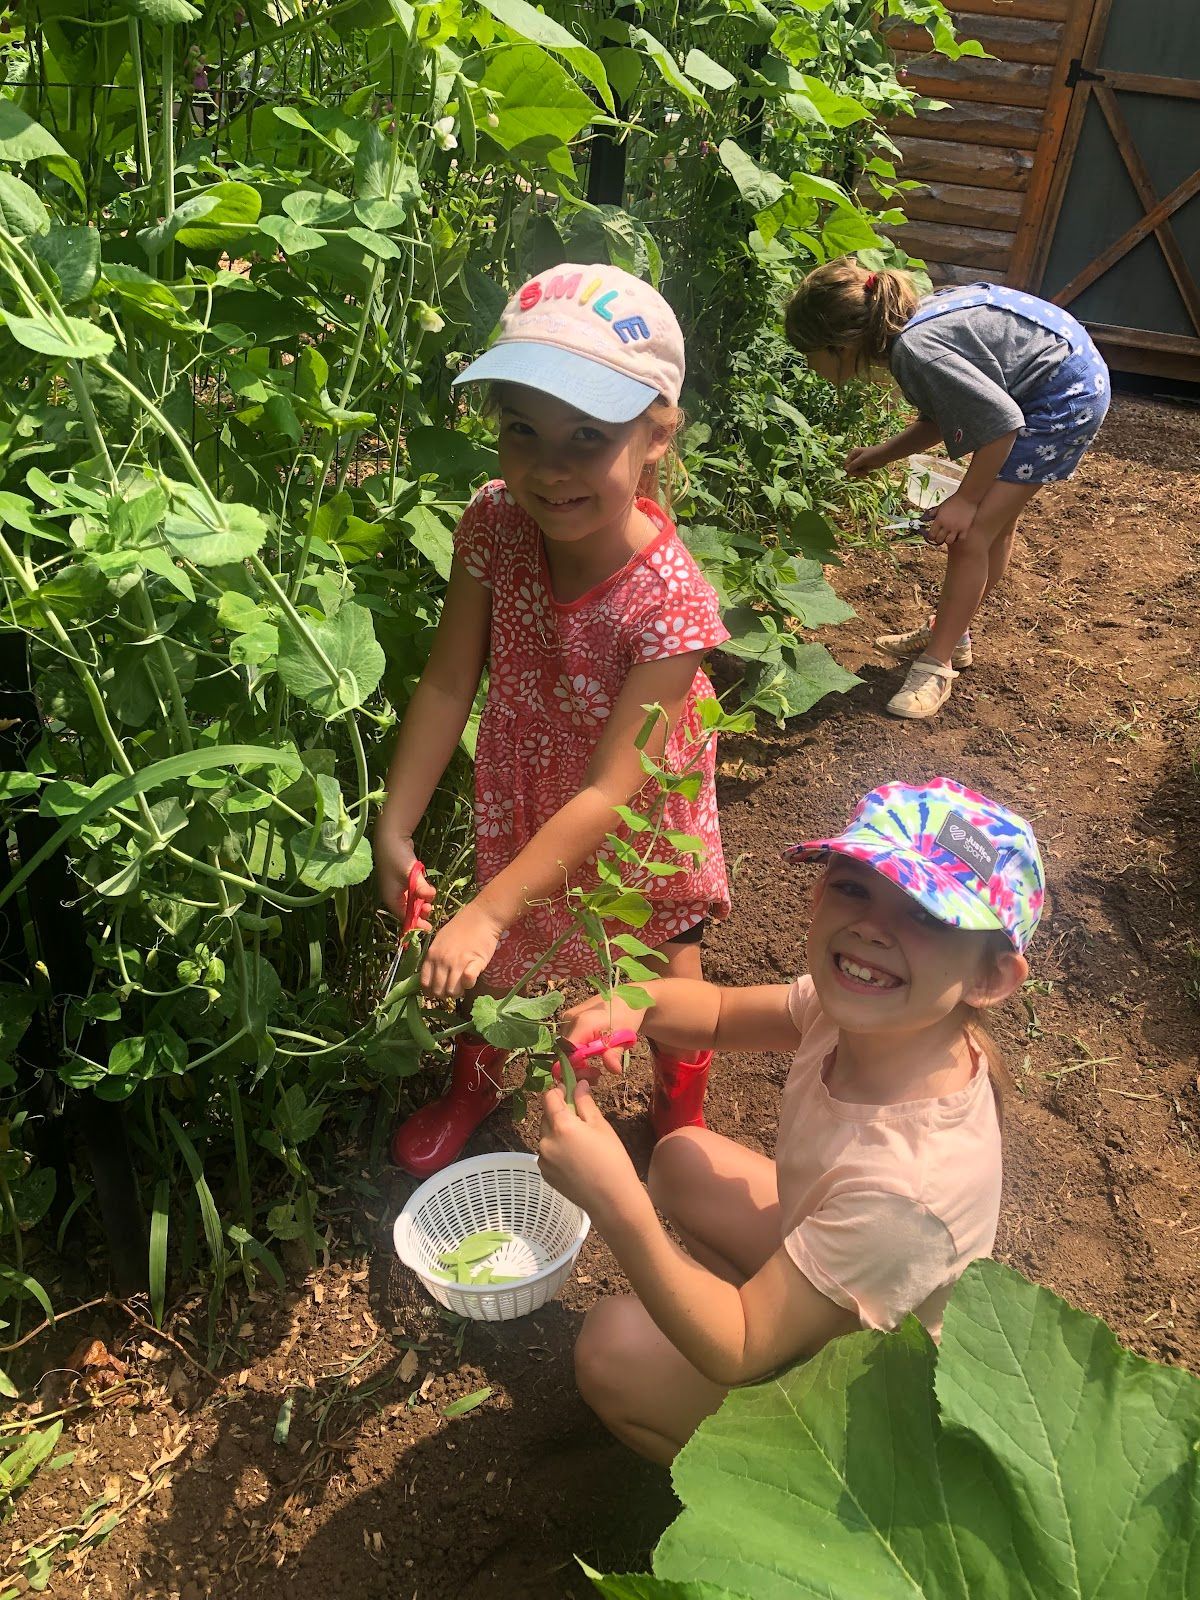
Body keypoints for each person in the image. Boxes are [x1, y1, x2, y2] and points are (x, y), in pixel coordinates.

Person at [541, 777, 1043, 1465]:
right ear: (818, 894)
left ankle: (771, 1496)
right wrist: (634, 1003)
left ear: (991, 980)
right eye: (855, 887)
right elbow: (717, 1014)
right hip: (847, 1276)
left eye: (926, 915)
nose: (873, 925)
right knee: (681, 1157)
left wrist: (614, 1201)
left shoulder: (909, 1194)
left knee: (612, 1351)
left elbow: (737, 1342)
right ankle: (780, 1329)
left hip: (870, 1402)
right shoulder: (861, 1013)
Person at [374, 263, 731, 1178]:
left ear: (655, 435)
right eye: (521, 429)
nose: (548, 466)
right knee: (512, 952)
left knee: (664, 954)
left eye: (587, 436)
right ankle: (479, 1077)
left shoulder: (670, 602)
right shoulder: (493, 524)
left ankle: (679, 1103)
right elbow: (450, 684)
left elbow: (617, 788)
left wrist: (484, 913)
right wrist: (395, 825)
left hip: (640, 809)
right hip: (530, 789)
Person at [784, 259, 1111, 719]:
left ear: (838, 344)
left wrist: (966, 500)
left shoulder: (915, 350)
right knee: (992, 528)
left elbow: (1000, 428)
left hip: (1061, 400)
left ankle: (935, 667)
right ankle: (950, 635)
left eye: (807, 353)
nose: (808, 366)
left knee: (972, 531)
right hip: (1054, 378)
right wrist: (880, 454)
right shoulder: (906, 334)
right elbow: (950, 413)